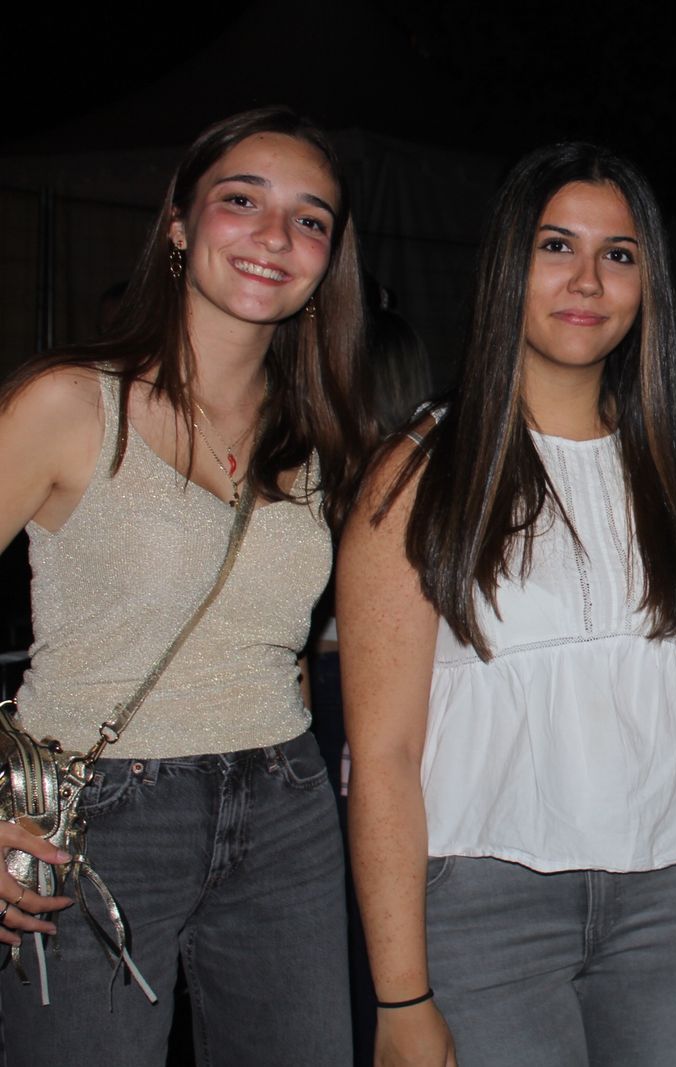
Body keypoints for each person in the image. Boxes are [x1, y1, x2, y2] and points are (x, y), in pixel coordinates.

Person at [339, 142, 676, 1067]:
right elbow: (382, 752)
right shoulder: (422, 467)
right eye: (556, 246)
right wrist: (400, 993)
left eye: (618, 253)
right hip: (485, 898)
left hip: (674, 896)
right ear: (508, 266)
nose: (587, 279)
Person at [0, 106, 378, 1064]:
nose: (273, 237)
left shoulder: (324, 439)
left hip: (286, 804)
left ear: (328, 261)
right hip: (95, 823)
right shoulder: (70, 403)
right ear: (179, 223)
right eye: (241, 200)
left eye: (309, 220)